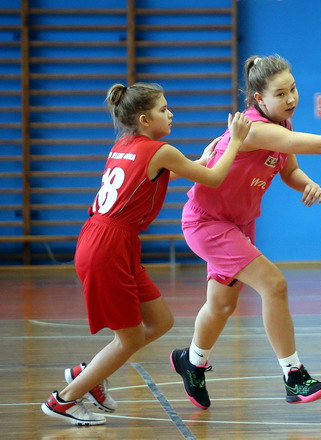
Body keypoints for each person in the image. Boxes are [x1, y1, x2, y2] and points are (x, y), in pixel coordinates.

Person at [170, 54, 321, 408]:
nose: (291, 98)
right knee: (274, 285)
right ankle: (294, 376)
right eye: (280, 94)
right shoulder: (256, 129)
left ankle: (192, 361)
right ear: (259, 99)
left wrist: (306, 182)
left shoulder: (282, 124)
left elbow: (289, 170)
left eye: (292, 89)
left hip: (238, 223)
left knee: (221, 305)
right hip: (208, 222)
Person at [41, 82, 251, 426]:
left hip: (107, 239)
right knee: (131, 338)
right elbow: (213, 179)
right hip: (108, 245)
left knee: (160, 322)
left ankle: (90, 374)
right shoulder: (161, 150)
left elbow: (165, 172)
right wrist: (237, 141)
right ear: (144, 119)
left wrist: (201, 160)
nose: (171, 114)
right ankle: (64, 400)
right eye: (163, 109)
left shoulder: (124, 145)